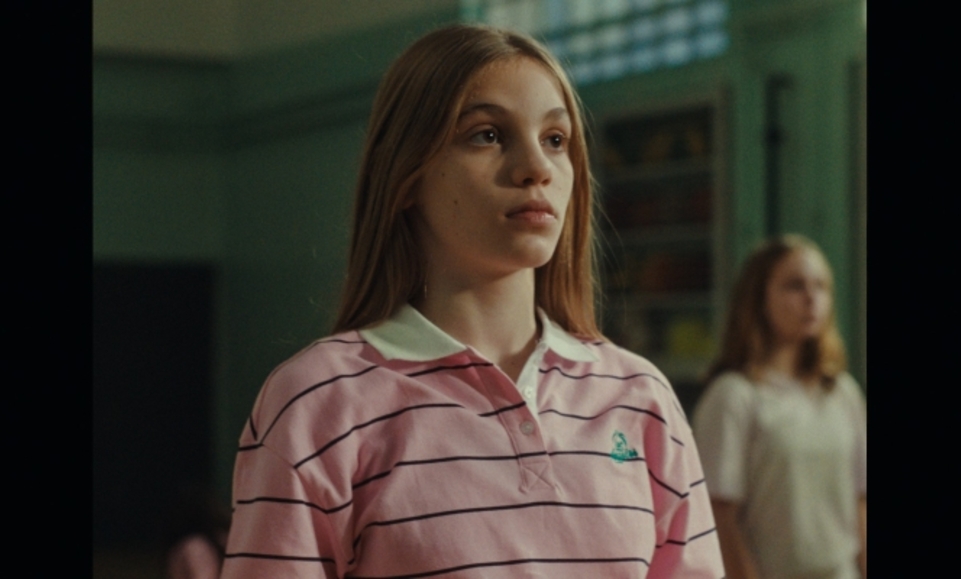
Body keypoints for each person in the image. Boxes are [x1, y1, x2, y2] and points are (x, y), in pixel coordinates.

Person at [221, 24, 724, 578]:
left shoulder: (640, 397)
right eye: (487, 135)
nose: (537, 167)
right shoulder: (318, 403)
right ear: (405, 174)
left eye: (556, 140)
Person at [692, 235, 867, 579]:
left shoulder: (842, 392)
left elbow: (860, 501)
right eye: (795, 286)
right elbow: (720, 516)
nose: (811, 298)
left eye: (821, 286)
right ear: (759, 298)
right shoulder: (734, 396)